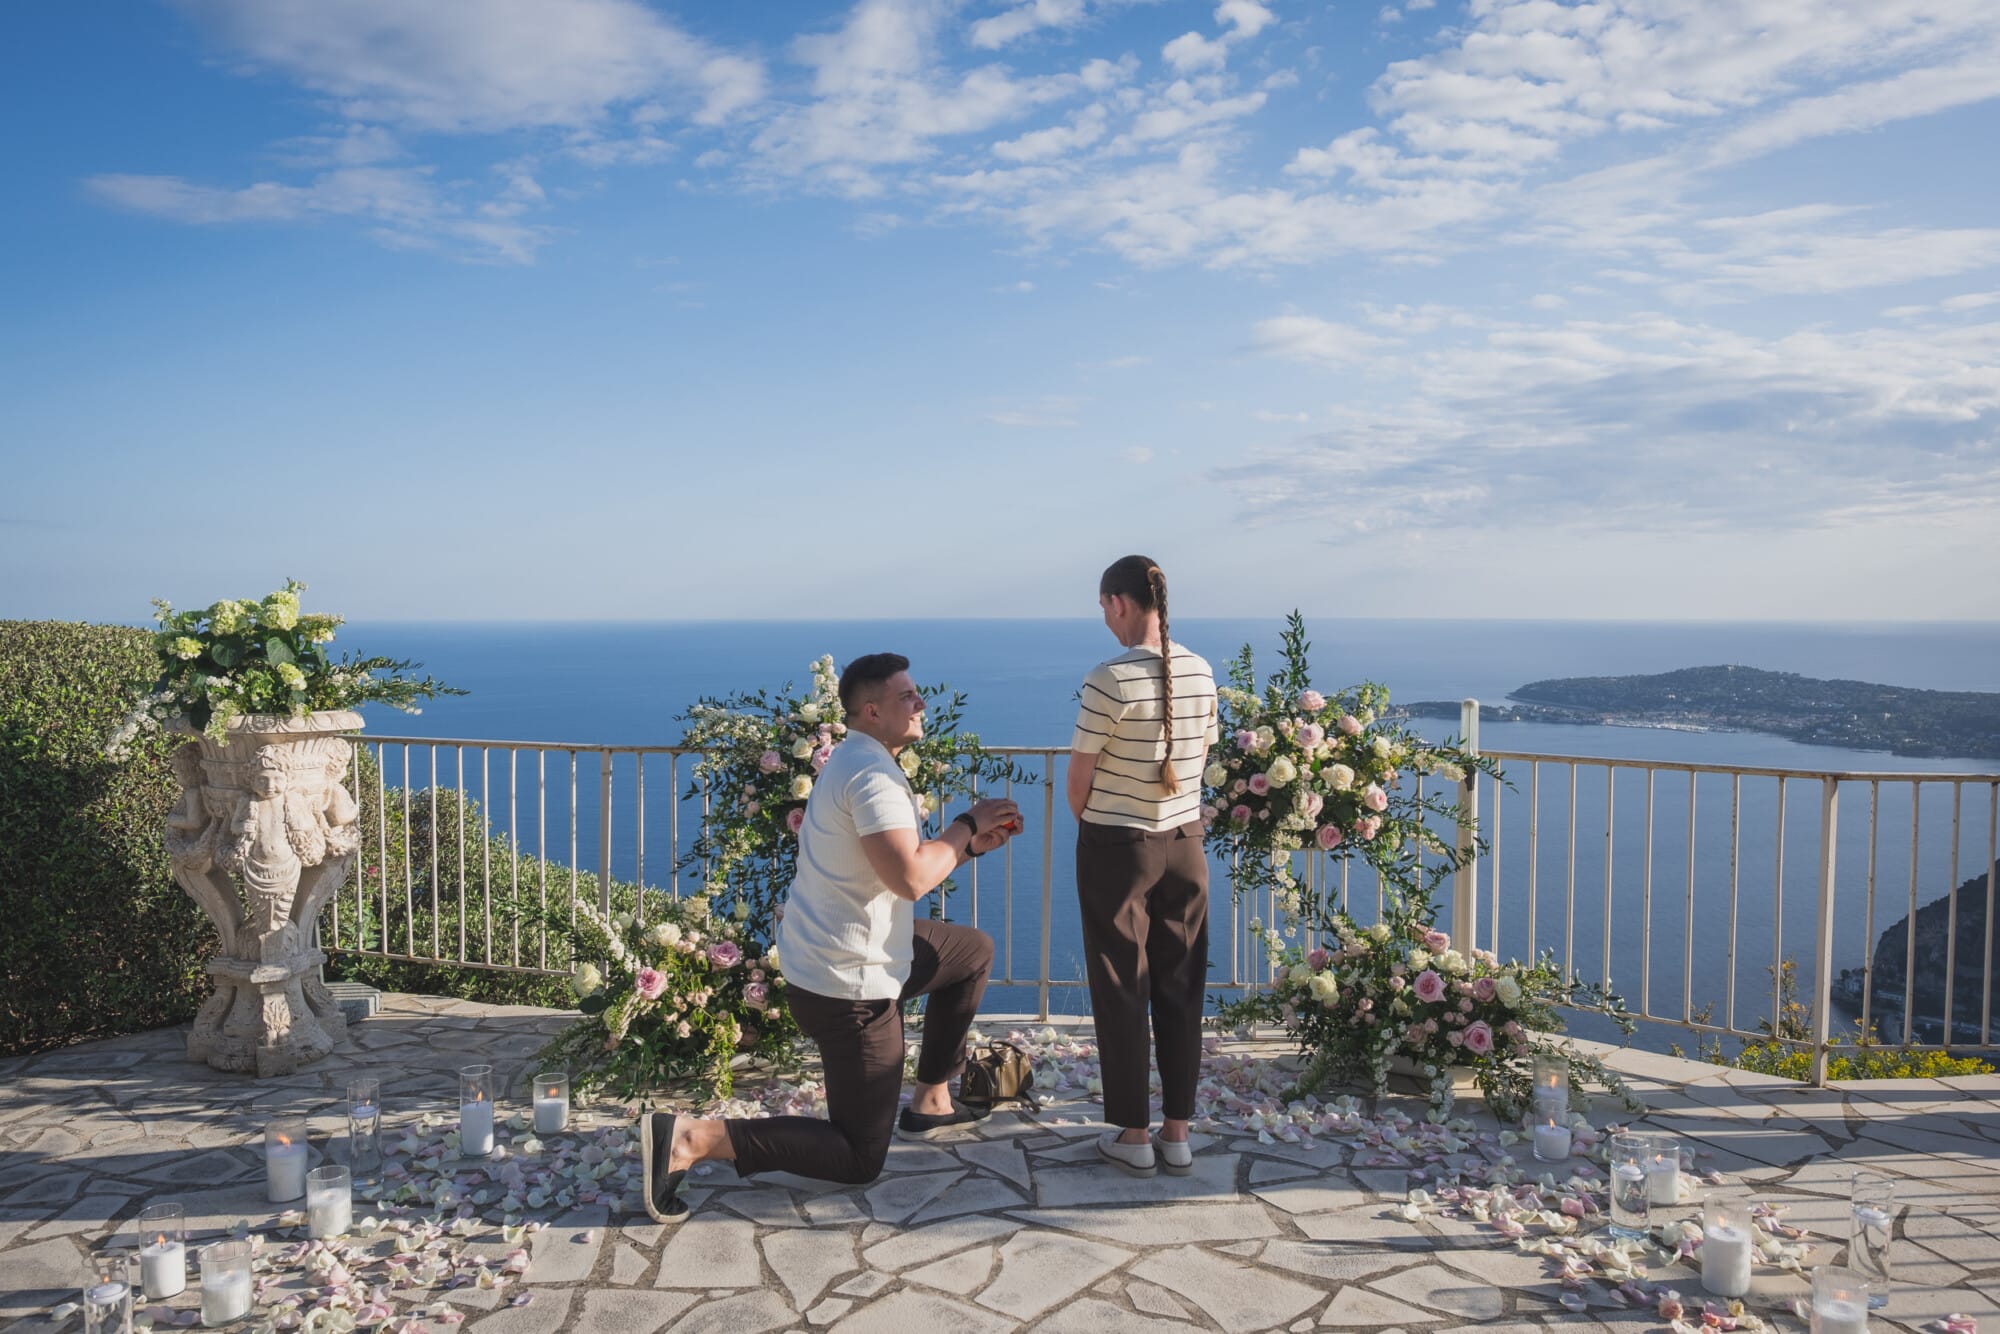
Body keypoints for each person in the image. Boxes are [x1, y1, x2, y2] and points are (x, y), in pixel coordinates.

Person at [640, 652, 1021, 1222]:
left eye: (917, 694)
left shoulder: (853, 759)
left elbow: (891, 868)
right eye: (906, 697)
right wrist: (966, 824)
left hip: (836, 957)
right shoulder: (872, 777)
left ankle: (932, 1098)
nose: (921, 703)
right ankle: (692, 1139)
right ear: (871, 710)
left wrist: (965, 848)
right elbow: (911, 877)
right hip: (849, 988)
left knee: (970, 953)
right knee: (857, 1156)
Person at [1067, 555, 1218, 1178]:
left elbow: (1080, 778)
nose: (1104, 617)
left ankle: (1133, 1133)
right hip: (1184, 843)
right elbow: (1202, 756)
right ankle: (1177, 1133)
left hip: (1118, 845)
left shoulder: (1110, 678)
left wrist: (1101, 830)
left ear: (1118, 603)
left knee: (1121, 983)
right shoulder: (1202, 670)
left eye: (1103, 606)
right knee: (1182, 983)